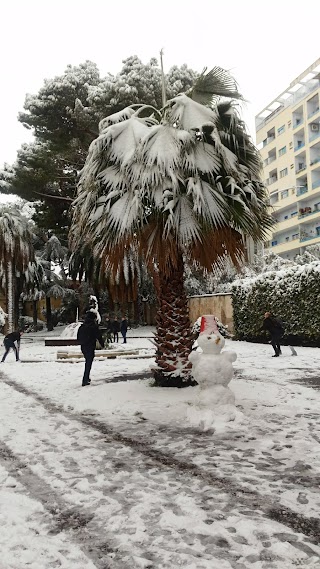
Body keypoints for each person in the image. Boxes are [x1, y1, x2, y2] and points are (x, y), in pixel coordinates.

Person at [77, 312, 104, 386]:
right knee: (88, 363)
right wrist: (102, 344)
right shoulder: (93, 326)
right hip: (90, 346)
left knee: (87, 362)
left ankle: (87, 378)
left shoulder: (82, 326)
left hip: (83, 346)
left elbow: (78, 337)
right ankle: (85, 379)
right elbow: (99, 336)